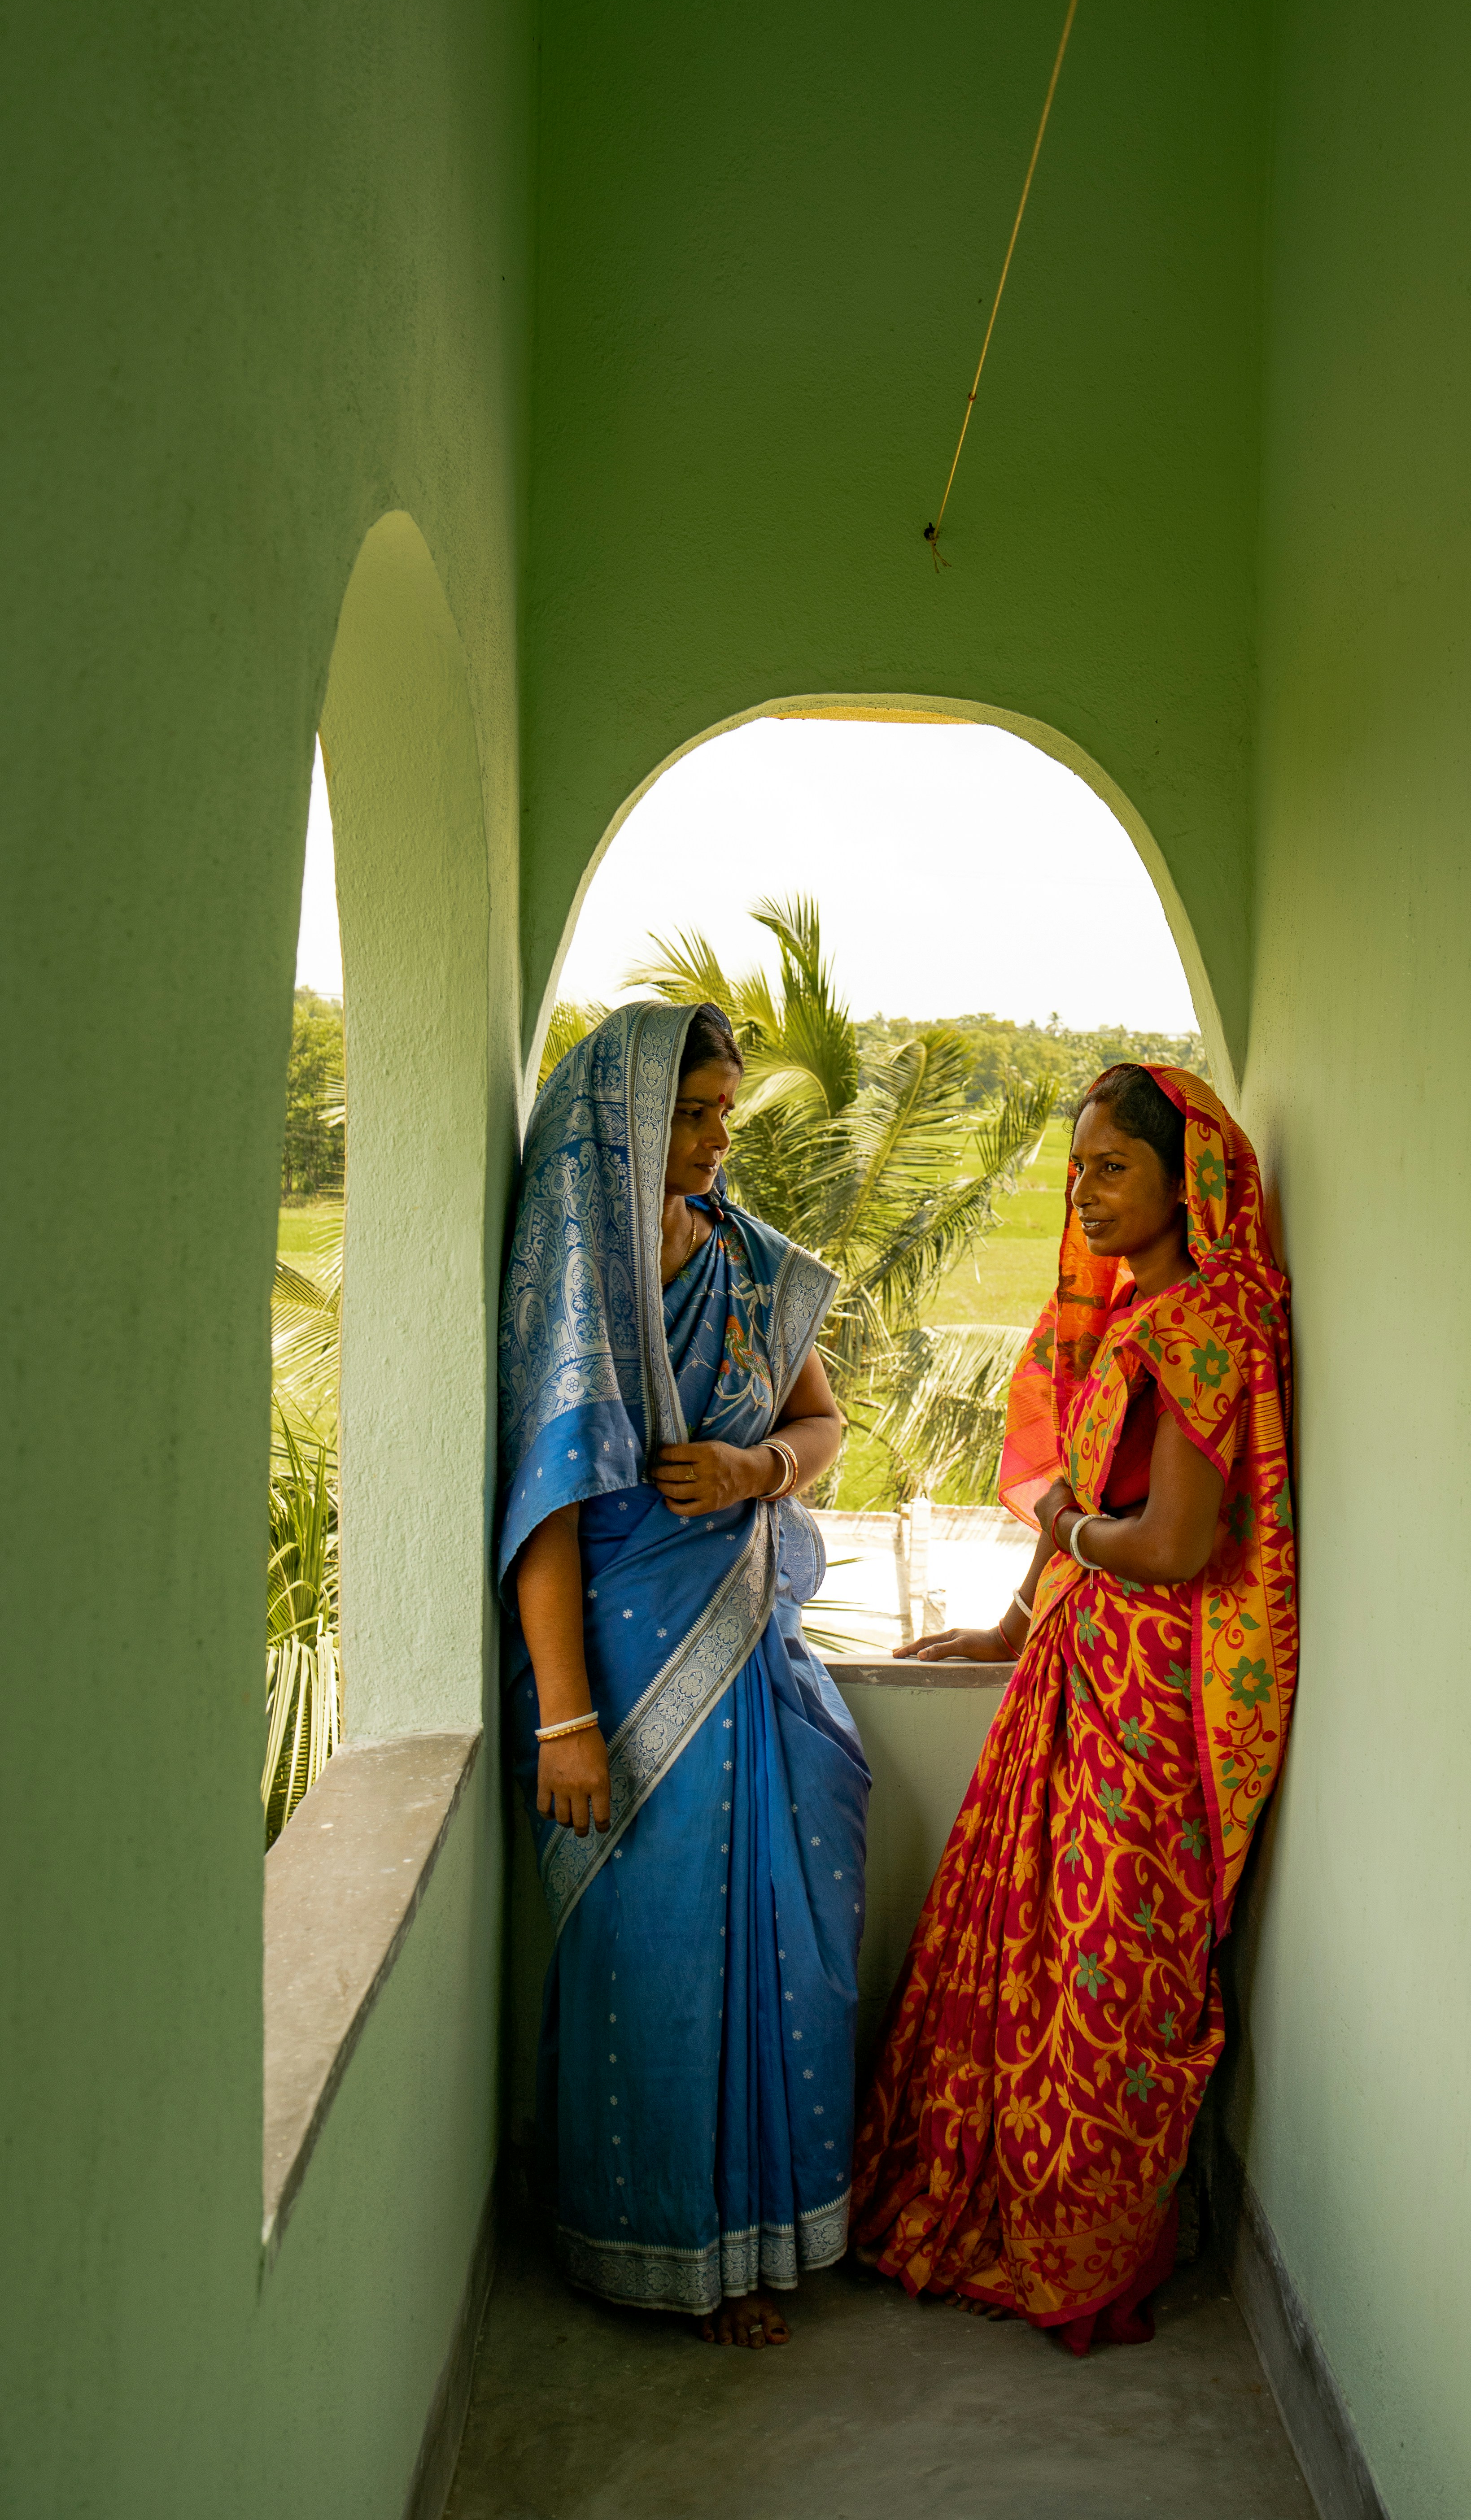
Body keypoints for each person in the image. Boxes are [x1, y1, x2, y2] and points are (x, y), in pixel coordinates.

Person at [851, 1064, 1295, 2351]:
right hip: (1074, 1672)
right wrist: (1004, 1624)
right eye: (1078, 1170)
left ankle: (1085, 2241)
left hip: (1152, 1707)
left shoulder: (1205, 1325)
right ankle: (1008, 2194)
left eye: (1114, 1168)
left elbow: (1169, 1545)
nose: (1085, 1196)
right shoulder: (1135, 1317)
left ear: (1186, 1180)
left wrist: (1067, 1526)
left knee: (1108, 1975)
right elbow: (1102, 1516)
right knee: (1029, 1959)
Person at [497, 999, 869, 2350]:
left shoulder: (750, 1265)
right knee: (654, 1963)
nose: (719, 1140)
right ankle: (659, 2242)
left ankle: (756, 2230)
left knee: (791, 1935)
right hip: (619, 1681)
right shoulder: (570, 1284)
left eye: (724, 1115)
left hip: (748, 1661)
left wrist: (755, 1470)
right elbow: (542, 1506)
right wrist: (568, 1721)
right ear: (625, 1122)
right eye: (694, 1116)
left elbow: (821, 1421)